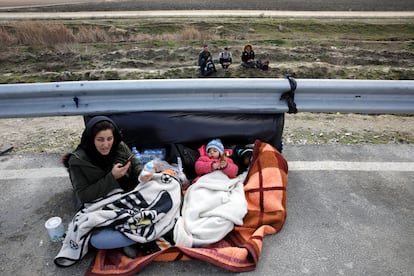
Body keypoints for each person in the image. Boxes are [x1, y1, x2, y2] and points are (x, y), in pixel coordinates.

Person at [62, 115, 142, 250]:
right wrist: (112, 178)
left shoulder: (119, 146)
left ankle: (134, 235)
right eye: (100, 140)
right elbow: (84, 195)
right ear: (91, 139)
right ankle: (141, 235)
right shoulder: (78, 162)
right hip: (102, 205)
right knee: (98, 240)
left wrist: (143, 174)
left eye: (109, 139)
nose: (106, 145)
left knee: (166, 186)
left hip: (129, 196)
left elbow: (135, 165)